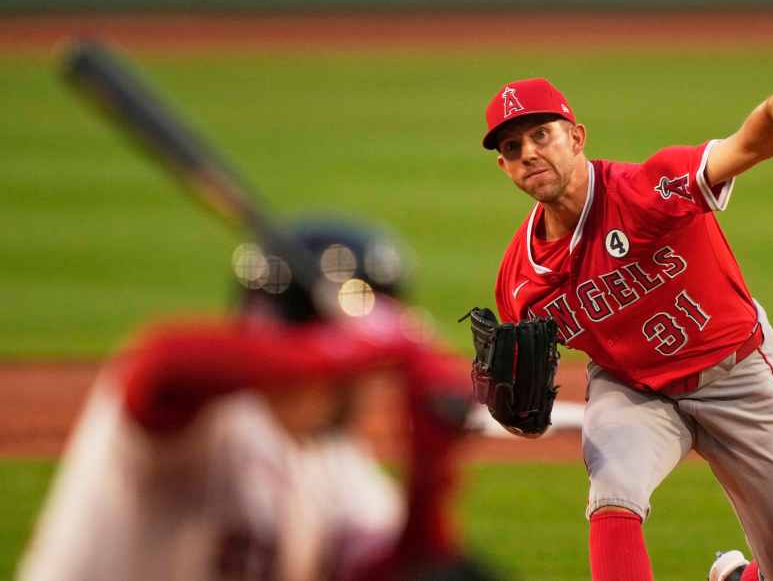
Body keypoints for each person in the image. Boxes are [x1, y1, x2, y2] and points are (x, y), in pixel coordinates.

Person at [480, 77, 773, 581]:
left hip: (737, 379)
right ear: (504, 167)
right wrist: (512, 410)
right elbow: (518, 384)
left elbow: (740, 149)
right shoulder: (519, 282)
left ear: (576, 138)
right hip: (635, 389)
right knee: (614, 491)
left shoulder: (646, 190)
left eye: (541, 136)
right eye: (513, 148)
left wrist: (772, 118)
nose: (529, 154)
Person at [18, 218, 483, 581]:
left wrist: (430, 469)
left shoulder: (335, 463)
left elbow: (409, 573)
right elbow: (164, 363)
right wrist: (368, 345)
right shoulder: (201, 425)